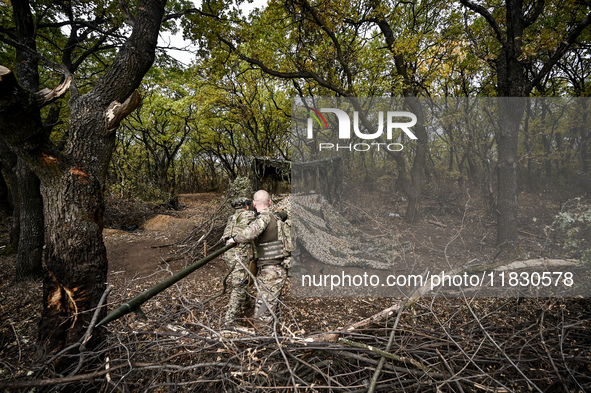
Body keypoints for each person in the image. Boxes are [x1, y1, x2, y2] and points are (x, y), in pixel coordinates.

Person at [228, 190, 288, 324]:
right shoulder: (276, 218)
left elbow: (249, 233)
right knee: (273, 307)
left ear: (254, 203)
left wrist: (234, 239)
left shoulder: (264, 218)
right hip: (277, 268)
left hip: (271, 271)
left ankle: (267, 341)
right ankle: (275, 336)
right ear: (270, 202)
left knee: (263, 314)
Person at [221, 197, 256, 324]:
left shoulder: (231, 217)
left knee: (238, 278)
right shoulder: (250, 214)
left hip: (228, 251)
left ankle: (247, 303)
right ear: (246, 206)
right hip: (240, 251)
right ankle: (229, 319)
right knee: (240, 284)